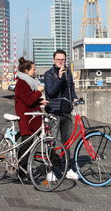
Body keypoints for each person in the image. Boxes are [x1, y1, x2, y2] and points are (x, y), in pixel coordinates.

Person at [44, 50, 79, 180]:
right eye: (58, 59)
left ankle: (67, 168)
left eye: (63, 60)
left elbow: (71, 88)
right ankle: (49, 170)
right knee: (51, 142)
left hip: (66, 112)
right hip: (54, 112)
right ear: (54, 60)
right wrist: (59, 78)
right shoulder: (49, 74)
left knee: (67, 142)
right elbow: (51, 92)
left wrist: (74, 98)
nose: (61, 62)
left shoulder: (68, 73)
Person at [14, 57, 48, 180]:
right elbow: (28, 100)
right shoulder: (22, 83)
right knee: (26, 145)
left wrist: (40, 101)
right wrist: (39, 92)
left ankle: (24, 170)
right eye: (33, 69)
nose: (35, 71)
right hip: (26, 118)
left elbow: (30, 98)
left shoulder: (28, 81)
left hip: (32, 116)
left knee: (28, 144)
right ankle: (21, 172)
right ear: (27, 71)